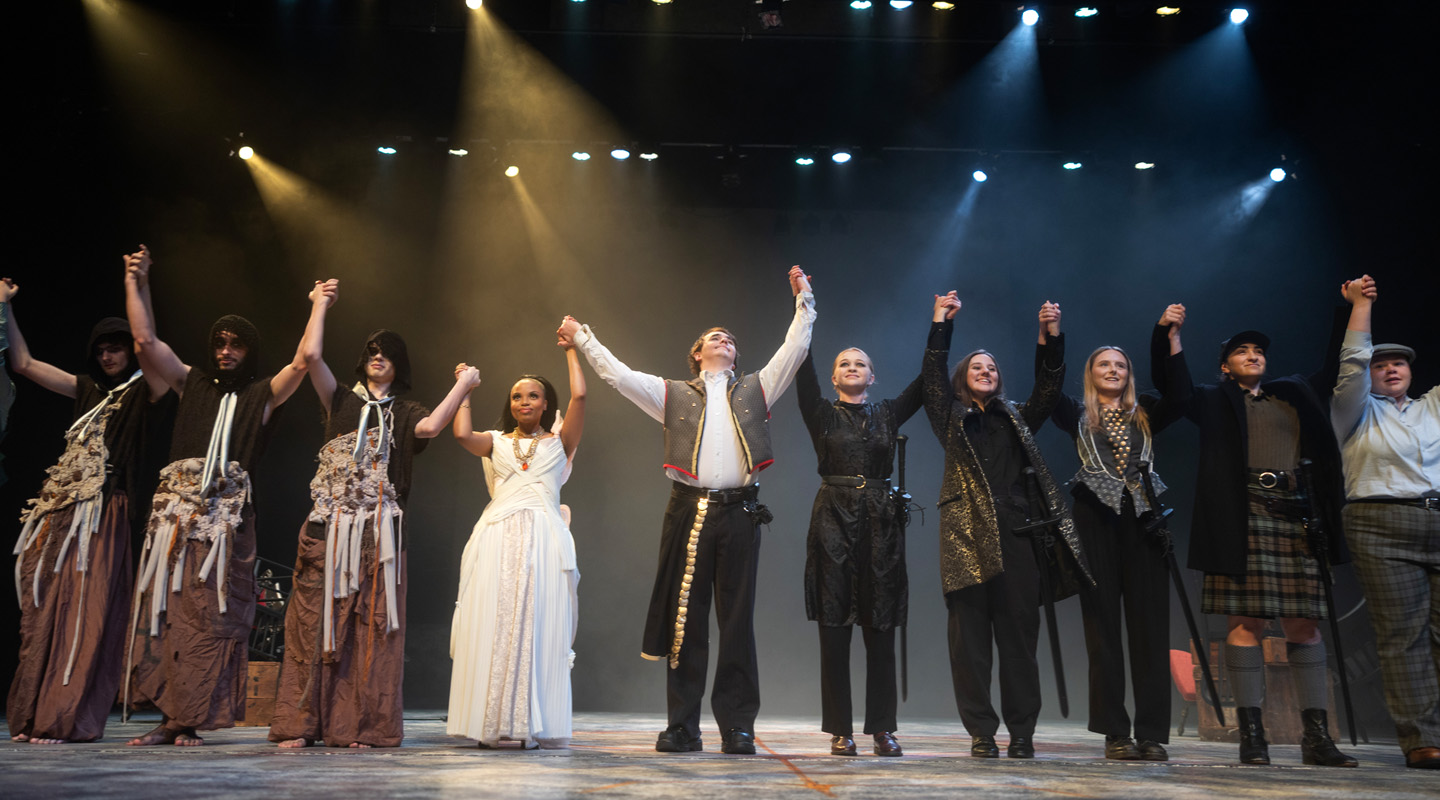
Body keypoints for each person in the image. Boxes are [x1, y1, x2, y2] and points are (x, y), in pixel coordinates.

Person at [560, 266, 816, 755]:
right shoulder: (672, 393)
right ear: (697, 353)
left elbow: (796, 349)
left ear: (735, 355)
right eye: (712, 337)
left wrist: (804, 299)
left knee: (736, 621)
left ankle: (738, 726)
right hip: (689, 512)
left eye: (730, 338)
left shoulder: (757, 388)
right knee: (686, 620)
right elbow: (618, 375)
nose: (723, 338)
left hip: (740, 512)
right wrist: (583, 336)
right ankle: (682, 725)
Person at [121, 246, 332, 746]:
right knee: (170, 613)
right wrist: (138, 281)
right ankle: (170, 716)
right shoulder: (190, 383)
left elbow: (307, 360)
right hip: (178, 516)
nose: (225, 351)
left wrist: (317, 303)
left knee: (212, 618)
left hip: (228, 522)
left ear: (248, 352)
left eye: (235, 345)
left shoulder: (260, 396)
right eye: (219, 342)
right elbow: (144, 340)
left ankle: (189, 717)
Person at [1159, 308, 1356, 767]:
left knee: (1304, 627)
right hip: (1241, 515)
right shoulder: (1213, 399)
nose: (1253, 355)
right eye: (1241, 352)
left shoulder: (1293, 393)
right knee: (1245, 624)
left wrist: (1348, 308)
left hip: (1295, 515)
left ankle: (1317, 737)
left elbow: (1335, 367)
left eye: (1258, 351)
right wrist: (1171, 337)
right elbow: (1177, 391)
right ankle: (1252, 734)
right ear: (1225, 366)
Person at [267, 326, 473, 748]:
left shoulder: (407, 410)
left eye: (387, 354)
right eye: (373, 352)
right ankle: (303, 724)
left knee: (371, 630)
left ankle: (361, 726)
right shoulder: (340, 398)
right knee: (315, 624)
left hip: (378, 534)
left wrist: (464, 386)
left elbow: (433, 427)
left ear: (400, 365)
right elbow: (310, 357)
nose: (378, 358)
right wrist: (320, 305)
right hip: (330, 527)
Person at [4, 274, 174, 744]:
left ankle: (66, 717)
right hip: (64, 512)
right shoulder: (87, 392)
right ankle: (33, 714)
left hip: (106, 511)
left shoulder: (145, 392)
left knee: (87, 613)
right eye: (101, 349)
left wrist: (136, 285)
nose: (108, 356)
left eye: (115, 348)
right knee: (47, 612)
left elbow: (149, 345)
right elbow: (23, 363)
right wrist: (5, 307)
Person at [921, 291, 1089, 760]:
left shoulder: (1017, 418)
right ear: (963, 379)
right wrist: (941, 324)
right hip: (965, 536)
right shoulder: (948, 416)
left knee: (1019, 642)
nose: (986, 372)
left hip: (1017, 535)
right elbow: (931, 378)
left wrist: (1049, 339)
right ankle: (980, 731)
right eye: (977, 368)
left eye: (992, 368)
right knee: (969, 645)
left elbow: (1049, 392)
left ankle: (1021, 733)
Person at [1049, 305, 1190, 761]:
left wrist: (1169, 336)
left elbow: (1183, 394)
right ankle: (1115, 731)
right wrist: (1050, 334)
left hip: (1145, 520)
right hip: (1095, 520)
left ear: (1130, 374)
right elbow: (1047, 387)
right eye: (1104, 365)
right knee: (1103, 626)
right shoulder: (1076, 412)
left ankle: (1151, 732)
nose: (1113, 370)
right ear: (1091, 375)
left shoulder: (1146, 410)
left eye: (1120, 365)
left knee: (1150, 627)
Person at [447, 337, 586, 749]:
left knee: (534, 624)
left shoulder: (560, 442)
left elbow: (580, 393)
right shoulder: (495, 441)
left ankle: (527, 723)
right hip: (496, 537)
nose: (524, 402)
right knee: (495, 623)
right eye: (517, 397)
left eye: (533, 396)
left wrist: (571, 349)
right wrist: (466, 391)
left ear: (545, 404)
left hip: (542, 538)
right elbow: (460, 435)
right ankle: (490, 723)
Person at [1330, 275, 1439, 770]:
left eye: (1398, 362)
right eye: (1381, 364)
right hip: (1379, 524)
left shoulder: (1431, 409)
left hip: (1436, 517)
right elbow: (1352, 360)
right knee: (1403, 634)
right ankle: (1421, 738)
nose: (1390, 368)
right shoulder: (1353, 411)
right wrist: (1360, 306)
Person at [795, 343, 920, 757]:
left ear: (872, 376)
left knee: (880, 626)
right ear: (834, 378)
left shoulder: (887, 413)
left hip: (880, 522)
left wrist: (942, 324)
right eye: (844, 363)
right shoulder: (822, 413)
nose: (852, 367)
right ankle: (840, 730)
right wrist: (804, 312)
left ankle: (883, 729)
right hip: (834, 517)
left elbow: (925, 384)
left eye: (860, 363)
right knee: (834, 625)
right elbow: (803, 371)